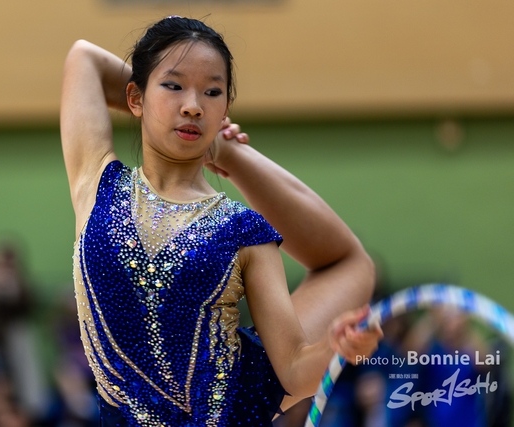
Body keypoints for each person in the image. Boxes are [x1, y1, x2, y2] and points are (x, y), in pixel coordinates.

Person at [61, 16, 382, 426]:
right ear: (134, 97)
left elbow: (294, 368)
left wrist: (338, 349)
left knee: (352, 267)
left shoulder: (244, 230)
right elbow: (84, 58)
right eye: (173, 85)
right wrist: (162, 107)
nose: (193, 105)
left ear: (226, 110)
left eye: (212, 93)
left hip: (230, 403)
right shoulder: (98, 184)